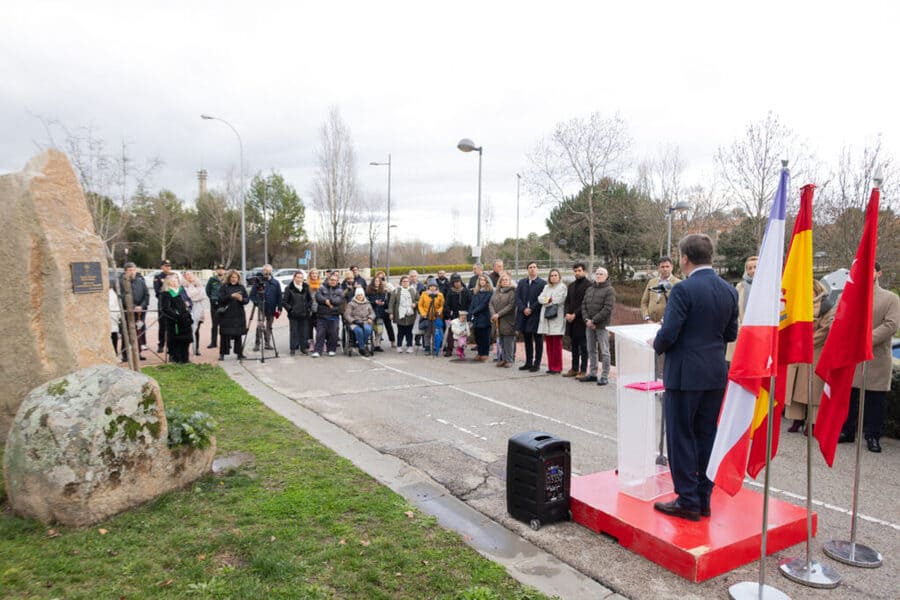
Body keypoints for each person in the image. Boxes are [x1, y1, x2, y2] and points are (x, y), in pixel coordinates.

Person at [652, 234, 739, 521]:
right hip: (714, 372)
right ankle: (703, 497)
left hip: (684, 374)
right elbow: (731, 334)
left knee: (681, 436)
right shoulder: (729, 290)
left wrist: (657, 342)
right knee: (707, 436)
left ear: (685, 258)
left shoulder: (683, 289)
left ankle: (687, 499)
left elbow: (669, 333)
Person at [839, 261, 900, 453]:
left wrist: (864, 341)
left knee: (875, 400)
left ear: (879, 273)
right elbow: (837, 318)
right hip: (852, 356)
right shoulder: (848, 294)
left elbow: (891, 325)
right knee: (850, 397)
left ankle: (873, 436)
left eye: (871, 270)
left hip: (876, 357)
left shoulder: (890, 298)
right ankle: (847, 431)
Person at [784, 280, 830, 432]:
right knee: (795, 387)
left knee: (813, 390)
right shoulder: (798, 304)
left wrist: (807, 342)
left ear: (817, 290)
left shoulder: (826, 306)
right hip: (797, 350)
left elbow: (825, 329)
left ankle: (813, 422)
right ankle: (796, 419)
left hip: (815, 351)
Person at [578, 267, 615, 385]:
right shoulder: (590, 289)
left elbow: (607, 308)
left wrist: (594, 321)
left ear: (606, 277)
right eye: (597, 273)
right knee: (591, 350)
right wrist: (587, 320)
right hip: (589, 325)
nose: (598, 276)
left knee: (605, 351)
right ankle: (593, 374)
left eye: (601, 274)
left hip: (602, 326)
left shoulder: (610, 290)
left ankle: (604, 376)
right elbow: (583, 305)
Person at [515, 261, 546, 372]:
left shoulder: (542, 283)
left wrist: (531, 308)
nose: (532, 269)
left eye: (534, 267)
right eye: (530, 267)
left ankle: (536, 364)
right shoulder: (522, 282)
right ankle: (528, 362)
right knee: (527, 339)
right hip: (524, 315)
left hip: (536, 315)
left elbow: (543, 298)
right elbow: (517, 298)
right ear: (527, 269)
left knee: (538, 340)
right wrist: (523, 309)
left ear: (537, 269)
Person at [726, 255, 758, 361]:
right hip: (743, 330)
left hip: (761, 330)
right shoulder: (740, 286)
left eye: (755, 267)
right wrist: (740, 327)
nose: (752, 270)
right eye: (749, 268)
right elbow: (734, 309)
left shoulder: (768, 286)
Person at [538, 268, 568, 374]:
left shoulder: (562, 287)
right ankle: (551, 366)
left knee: (556, 344)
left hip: (556, 317)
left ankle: (557, 367)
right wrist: (548, 300)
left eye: (555, 275)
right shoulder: (546, 287)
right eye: (552, 275)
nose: (553, 277)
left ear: (559, 277)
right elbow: (540, 298)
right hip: (547, 317)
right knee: (549, 344)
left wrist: (547, 300)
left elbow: (559, 299)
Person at [159, 273, 193, 364]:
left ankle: (185, 358)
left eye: (176, 280)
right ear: (168, 282)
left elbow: (188, 301)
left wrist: (188, 307)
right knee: (176, 340)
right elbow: (166, 308)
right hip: (175, 321)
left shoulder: (182, 290)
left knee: (186, 340)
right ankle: (176, 358)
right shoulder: (166, 293)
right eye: (172, 281)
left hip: (185, 319)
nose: (175, 282)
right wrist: (177, 316)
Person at [118, 262, 149, 361]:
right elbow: (122, 297)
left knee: (138, 332)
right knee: (126, 333)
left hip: (140, 312)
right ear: (125, 272)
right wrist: (133, 306)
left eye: (133, 270)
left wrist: (141, 306)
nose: (132, 272)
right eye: (130, 270)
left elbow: (146, 295)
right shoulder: (121, 282)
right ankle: (126, 354)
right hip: (128, 311)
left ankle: (137, 353)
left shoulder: (141, 281)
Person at [563, 263, 590, 378]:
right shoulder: (571, 285)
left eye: (579, 270)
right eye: (575, 271)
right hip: (571, 321)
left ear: (584, 271)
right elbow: (567, 302)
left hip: (582, 320)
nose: (577, 273)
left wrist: (575, 314)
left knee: (583, 346)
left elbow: (585, 303)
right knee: (573, 345)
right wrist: (567, 313)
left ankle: (583, 370)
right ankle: (574, 368)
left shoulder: (589, 285)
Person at [249, 264, 282, 352]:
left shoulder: (276, 283)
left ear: (272, 271)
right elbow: (252, 295)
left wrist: (279, 307)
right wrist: (257, 302)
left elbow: (279, 296)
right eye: (265, 270)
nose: (267, 272)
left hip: (272, 308)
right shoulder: (258, 282)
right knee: (260, 325)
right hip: (261, 307)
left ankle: (267, 343)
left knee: (269, 326)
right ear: (263, 271)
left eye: (269, 271)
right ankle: (257, 344)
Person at [217, 270, 249, 360]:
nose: (234, 279)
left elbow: (247, 300)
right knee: (224, 334)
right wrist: (231, 296)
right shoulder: (224, 287)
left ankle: (239, 353)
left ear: (238, 278)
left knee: (238, 335)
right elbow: (220, 299)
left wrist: (241, 299)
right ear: (229, 278)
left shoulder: (241, 287)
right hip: (226, 314)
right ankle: (222, 354)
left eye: (235, 277)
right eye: (232, 277)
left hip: (238, 314)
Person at [313, 272, 345, 357]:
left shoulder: (340, 290)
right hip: (321, 315)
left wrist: (328, 300)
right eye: (331, 280)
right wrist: (325, 301)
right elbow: (318, 297)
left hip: (334, 315)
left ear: (337, 281)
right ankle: (317, 351)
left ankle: (331, 350)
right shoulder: (321, 288)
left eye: (335, 280)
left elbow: (339, 301)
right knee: (320, 334)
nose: (333, 281)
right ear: (328, 280)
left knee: (333, 334)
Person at [641, 256, 681, 323]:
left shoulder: (678, 284)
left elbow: (677, 306)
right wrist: (647, 318)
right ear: (658, 268)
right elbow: (644, 302)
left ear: (672, 267)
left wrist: (662, 321)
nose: (665, 269)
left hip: (669, 323)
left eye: (667, 266)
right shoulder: (651, 282)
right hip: (650, 323)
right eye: (662, 267)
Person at [282, 271, 313, 356]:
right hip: (293, 314)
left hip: (304, 314)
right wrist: (290, 310)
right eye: (298, 277)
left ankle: (303, 348)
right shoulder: (289, 288)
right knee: (294, 332)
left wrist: (308, 308)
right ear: (294, 278)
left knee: (304, 332)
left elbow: (310, 300)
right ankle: (292, 348)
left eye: (301, 277)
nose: (299, 279)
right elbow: (284, 302)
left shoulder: (306, 287)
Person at [490, 272, 517, 368]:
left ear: (510, 281)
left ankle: (509, 360)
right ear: (500, 282)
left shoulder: (512, 292)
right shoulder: (497, 291)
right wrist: (493, 314)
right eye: (503, 280)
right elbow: (491, 303)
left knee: (508, 341)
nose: (505, 281)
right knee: (501, 340)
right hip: (498, 320)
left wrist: (498, 314)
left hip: (508, 320)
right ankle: (503, 359)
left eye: (506, 280)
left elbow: (511, 306)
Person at [443, 273, 472, 357]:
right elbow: (447, 304)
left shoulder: (466, 291)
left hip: (463, 315)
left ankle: (461, 350)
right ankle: (449, 350)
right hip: (453, 315)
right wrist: (449, 313)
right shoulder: (450, 292)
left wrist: (467, 314)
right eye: (455, 282)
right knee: (451, 333)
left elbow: (470, 303)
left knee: (462, 334)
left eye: (458, 281)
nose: (457, 283)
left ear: (460, 281)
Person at [388, 275, 419, 353]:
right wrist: (391, 313)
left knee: (409, 332)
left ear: (409, 282)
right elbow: (391, 303)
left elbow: (418, 300)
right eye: (404, 281)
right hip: (399, 314)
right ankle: (399, 346)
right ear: (401, 282)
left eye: (407, 281)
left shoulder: (413, 290)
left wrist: (415, 304)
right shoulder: (396, 291)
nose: (405, 283)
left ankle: (409, 346)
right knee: (400, 331)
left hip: (410, 314)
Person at [181, 271, 209, 356]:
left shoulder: (199, 284)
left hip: (199, 309)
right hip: (188, 309)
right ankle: (185, 349)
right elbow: (184, 297)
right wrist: (193, 296)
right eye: (187, 275)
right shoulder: (182, 286)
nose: (189, 276)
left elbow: (202, 296)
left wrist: (191, 297)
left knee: (196, 330)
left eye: (190, 274)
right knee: (186, 330)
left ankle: (196, 348)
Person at [468, 275, 494, 361]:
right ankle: (479, 353)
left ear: (487, 282)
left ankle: (485, 354)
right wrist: (469, 313)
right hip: (476, 318)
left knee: (485, 337)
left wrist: (473, 312)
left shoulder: (489, 292)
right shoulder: (476, 292)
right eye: (480, 280)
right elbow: (472, 304)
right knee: (478, 336)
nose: (482, 281)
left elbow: (484, 304)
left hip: (485, 317)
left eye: (484, 280)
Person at [345, 286, 376, 356]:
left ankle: (361, 345)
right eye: (358, 295)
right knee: (359, 331)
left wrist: (370, 318)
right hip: (355, 322)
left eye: (361, 295)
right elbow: (347, 315)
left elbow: (372, 313)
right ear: (356, 296)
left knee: (368, 330)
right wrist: (353, 321)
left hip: (365, 321)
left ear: (363, 295)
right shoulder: (351, 304)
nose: (360, 296)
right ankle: (362, 348)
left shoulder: (367, 303)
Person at [367, 273, 393, 351]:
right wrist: (374, 302)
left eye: (378, 281)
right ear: (373, 282)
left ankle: (377, 345)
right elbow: (366, 303)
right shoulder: (368, 291)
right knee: (371, 329)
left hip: (380, 314)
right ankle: (371, 344)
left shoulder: (383, 292)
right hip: (371, 314)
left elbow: (387, 303)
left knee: (379, 330)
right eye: (376, 281)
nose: (377, 282)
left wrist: (383, 303)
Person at [417, 282, 445, 355]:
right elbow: (420, 305)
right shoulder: (424, 294)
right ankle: (427, 347)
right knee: (427, 333)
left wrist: (439, 311)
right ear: (428, 287)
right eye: (431, 286)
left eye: (434, 286)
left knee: (436, 333)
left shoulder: (440, 295)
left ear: (436, 287)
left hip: (436, 317)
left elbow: (442, 305)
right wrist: (423, 313)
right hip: (426, 317)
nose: (432, 287)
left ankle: (435, 347)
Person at [153, 259, 173, 353]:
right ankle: (161, 344)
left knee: (171, 326)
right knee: (162, 326)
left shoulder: (173, 276)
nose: (168, 267)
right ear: (162, 267)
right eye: (166, 266)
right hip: (162, 304)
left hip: (172, 303)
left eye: (169, 266)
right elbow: (157, 291)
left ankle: (170, 345)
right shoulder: (158, 277)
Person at [205, 264, 226, 348]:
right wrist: (212, 298)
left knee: (224, 324)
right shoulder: (212, 279)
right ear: (216, 271)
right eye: (219, 269)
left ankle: (225, 342)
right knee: (215, 324)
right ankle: (213, 342)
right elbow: (207, 290)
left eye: (222, 269)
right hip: (214, 303)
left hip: (224, 303)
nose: (220, 270)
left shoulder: (227, 279)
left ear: (224, 271)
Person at [307, 268, 322, 352]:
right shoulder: (306, 285)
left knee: (320, 328)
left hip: (319, 310)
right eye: (312, 273)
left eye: (316, 273)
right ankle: (311, 344)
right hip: (309, 310)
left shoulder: (321, 285)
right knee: (309, 328)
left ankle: (321, 343)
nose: (314, 275)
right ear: (310, 275)